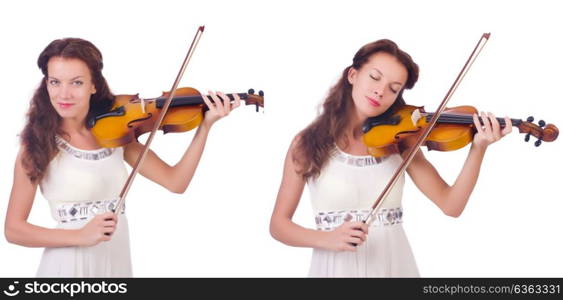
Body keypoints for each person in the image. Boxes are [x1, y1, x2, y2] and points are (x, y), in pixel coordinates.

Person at [269, 39, 512, 277]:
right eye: (375, 78)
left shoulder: (399, 142)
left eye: (394, 89)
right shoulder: (306, 143)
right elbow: (279, 225)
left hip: (394, 266)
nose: (380, 91)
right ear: (353, 75)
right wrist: (327, 238)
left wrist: (478, 147)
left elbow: (451, 205)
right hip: (335, 270)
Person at [4, 38, 240, 277]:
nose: (64, 93)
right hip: (66, 267)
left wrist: (205, 127)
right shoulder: (36, 144)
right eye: (55, 82)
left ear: (93, 85)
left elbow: (176, 182)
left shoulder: (115, 135)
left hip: (115, 260)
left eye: (76, 82)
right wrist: (78, 235)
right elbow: (13, 230)